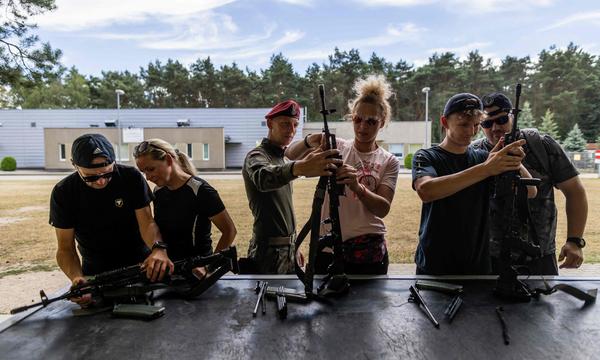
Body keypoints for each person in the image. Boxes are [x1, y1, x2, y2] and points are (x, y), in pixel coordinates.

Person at [286, 75, 399, 274]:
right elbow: (290, 154)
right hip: (327, 248)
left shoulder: (389, 161)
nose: (363, 126)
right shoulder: (335, 146)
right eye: (358, 119)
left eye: (371, 122)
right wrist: (311, 140)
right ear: (351, 117)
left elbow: (382, 209)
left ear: (382, 123)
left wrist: (357, 186)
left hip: (367, 252)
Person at [412, 93, 535, 275]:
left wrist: (512, 158)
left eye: (476, 125)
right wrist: (486, 169)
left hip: (477, 263)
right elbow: (427, 190)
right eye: (463, 125)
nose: (471, 131)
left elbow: (530, 191)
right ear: (444, 122)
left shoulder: (483, 159)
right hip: (434, 263)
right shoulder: (426, 156)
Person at [49, 134, 172, 307]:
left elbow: (148, 223)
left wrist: (158, 248)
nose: (100, 181)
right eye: (90, 177)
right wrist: (77, 278)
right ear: (74, 165)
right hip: (96, 273)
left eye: (108, 174)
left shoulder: (131, 178)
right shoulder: (64, 192)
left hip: (141, 266)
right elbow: (65, 249)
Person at [472, 92, 588, 274]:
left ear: (512, 116)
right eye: (487, 123)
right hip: (488, 257)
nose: (494, 128)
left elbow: (575, 191)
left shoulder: (541, 146)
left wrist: (575, 241)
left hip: (539, 256)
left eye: (501, 119)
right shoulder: (475, 153)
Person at [243, 99, 342, 274]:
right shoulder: (257, 155)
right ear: (269, 124)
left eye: (295, 124)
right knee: (268, 298)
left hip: (286, 249)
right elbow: (262, 178)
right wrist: (300, 167)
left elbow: (290, 160)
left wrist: (293, 246)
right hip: (267, 252)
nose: (291, 130)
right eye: (285, 124)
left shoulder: (281, 158)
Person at [134, 138, 236, 279]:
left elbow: (229, 230)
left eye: (151, 169)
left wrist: (210, 267)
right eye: (143, 172)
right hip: (169, 271)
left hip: (196, 274)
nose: (148, 177)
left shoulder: (200, 190)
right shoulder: (158, 191)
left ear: (169, 160)